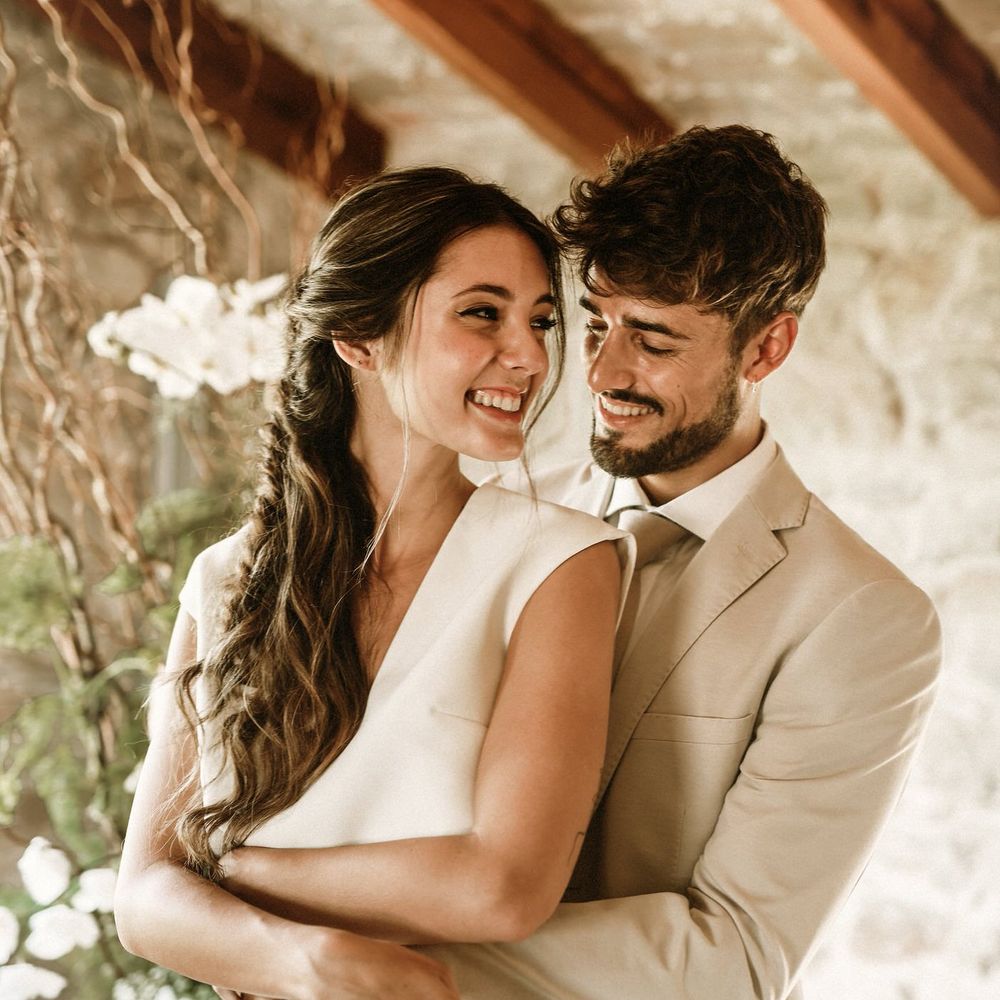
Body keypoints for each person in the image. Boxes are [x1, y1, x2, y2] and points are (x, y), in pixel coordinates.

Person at [419, 125, 942, 998]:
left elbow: (734, 956)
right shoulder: (499, 510)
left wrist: (383, 961)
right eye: (594, 324)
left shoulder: (864, 617)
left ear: (767, 348)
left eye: (654, 342)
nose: (602, 372)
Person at [114, 166, 631, 1000]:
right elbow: (141, 901)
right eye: (481, 313)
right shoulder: (229, 578)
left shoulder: (561, 564)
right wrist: (310, 962)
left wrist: (229, 867)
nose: (531, 356)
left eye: (541, 321)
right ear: (358, 332)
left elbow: (502, 888)